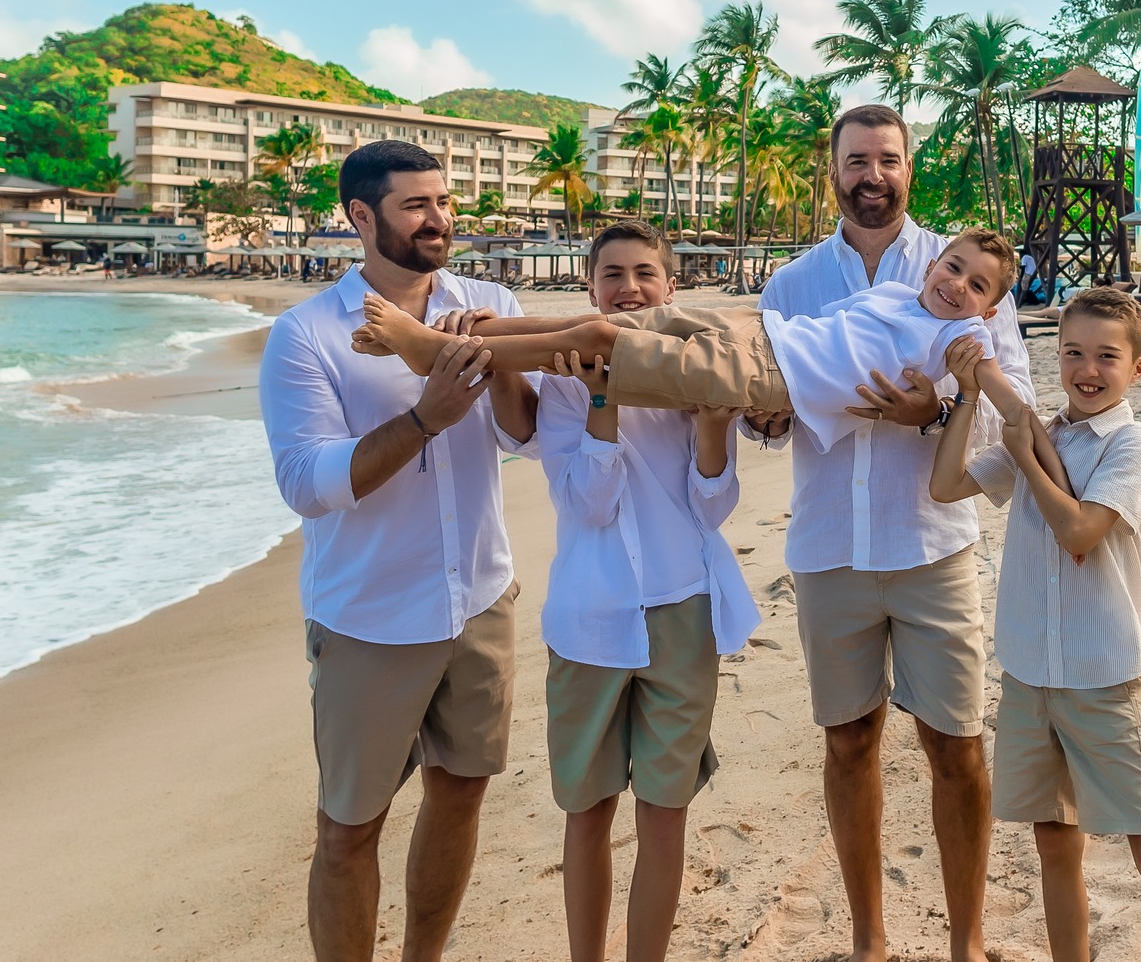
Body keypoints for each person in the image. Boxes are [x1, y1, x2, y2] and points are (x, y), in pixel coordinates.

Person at [758, 103, 1035, 962]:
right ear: (832, 170)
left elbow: (1013, 407)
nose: (872, 175)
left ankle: (967, 940)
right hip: (830, 540)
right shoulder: (792, 283)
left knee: (955, 744)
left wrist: (936, 409)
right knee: (849, 741)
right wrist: (762, 420)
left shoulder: (967, 272)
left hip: (932, 541)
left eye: (887, 158)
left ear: (910, 167)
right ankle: (870, 939)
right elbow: (762, 407)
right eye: (856, 160)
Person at [258, 140, 542, 962]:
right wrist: (428, 414)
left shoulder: (488, 298)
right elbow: (307, 481)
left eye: (443, 202)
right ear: (361, 216)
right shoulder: (306, 334)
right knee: (349, 827)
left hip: (481, 598)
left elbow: (526, 431)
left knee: (461, 796)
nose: (439, 219)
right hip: (369, 615)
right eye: (417, 205)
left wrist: (494, 364)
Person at [929, 289, 1141, 962]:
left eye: (1105, 357)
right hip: (1031, 676)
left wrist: (1028, 457)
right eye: (1072, 353)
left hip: (1103, 678)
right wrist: (971, 397)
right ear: (1054, 355)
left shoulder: (1131, 444)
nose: (1087, 369)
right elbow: (945, 486)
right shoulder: (1042, 428)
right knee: (1054, 843)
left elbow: (1079, 533)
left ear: (1137, 368)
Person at [351, 227, 1063, 487]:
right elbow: (826, 326)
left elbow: (999, 388)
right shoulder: (902, 295)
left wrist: (1032, 427)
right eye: (955, 266)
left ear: (990, 308)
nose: (957, 285)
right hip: (758, 330)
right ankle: (486, 330)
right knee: (606, 319)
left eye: (976, 286)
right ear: (935, 258)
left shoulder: (951, 337)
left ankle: (443, 351)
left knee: (603, 341)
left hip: (763, 374)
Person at [531, 220, 757, 962]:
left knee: (665, 814)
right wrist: (604, 400)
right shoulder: (562, 381)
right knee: (588, 810)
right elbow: (589, 504)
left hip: (682, 609)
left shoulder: (696, 370)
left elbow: (714, 506)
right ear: (589, 290)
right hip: (590, 618)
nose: (629, 288)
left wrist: (715, 428)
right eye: (613, 275)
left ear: (670, 286)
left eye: (644, 274)